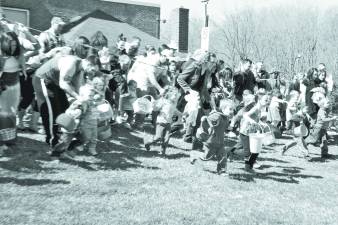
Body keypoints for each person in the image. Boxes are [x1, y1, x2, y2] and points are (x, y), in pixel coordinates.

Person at [32, 37, 92, 152]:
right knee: (50, 111)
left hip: (55, 82)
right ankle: (52, 142)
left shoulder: (80, 66)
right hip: (43, 79)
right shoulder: (71, 62)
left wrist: (80, 101)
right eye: (84, 48)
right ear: (78, 47)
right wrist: (79, 98)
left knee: (65, 109)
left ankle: (64, 140)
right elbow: (64, 84)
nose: (86, 51)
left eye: (88, 49)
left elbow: (77, 87)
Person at [176, 49, 211, 148]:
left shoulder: (207, 71)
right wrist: (189, 90)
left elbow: (203, 87)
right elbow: (180, 78)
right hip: (187, 94)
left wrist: (209, 99)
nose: (207, 61)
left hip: (197, 96)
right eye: (206, 59)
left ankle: (192, 139)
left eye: (209, 60)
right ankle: (182, 134)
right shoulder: (195, 66)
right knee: (185, 117)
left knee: (198, 117)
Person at [190, 98, 233, 176]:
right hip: (211, 142)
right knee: (206, 157)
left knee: (223, 156)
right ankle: (195, 158)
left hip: (220, 142)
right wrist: (205, 120)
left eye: (232, 109)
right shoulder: (217, 116)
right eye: (230, 109)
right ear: (223, 109)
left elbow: (224, 127)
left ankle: (222, 170)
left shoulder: (226, 118)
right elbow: (207, 120)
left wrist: (228, 128)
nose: (232, 111)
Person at [0, 31, 24, 151]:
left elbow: (36, 46)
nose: (13, 48)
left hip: (15, 87)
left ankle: (9, 140)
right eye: (11, 45)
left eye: (15, 45)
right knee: (4, 114)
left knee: (12, 113)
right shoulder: (1, 57)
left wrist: (24, 32)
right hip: (4, 88)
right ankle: (3, 142)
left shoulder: (17, 55)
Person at [144, 86, 180, 155]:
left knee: (166, 138)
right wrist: (154, 105)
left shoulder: (174, 103)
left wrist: (181, 114)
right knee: (158, 137)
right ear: (168, 94)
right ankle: (148, 143)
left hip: (168, 123)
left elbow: (175, 110)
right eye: (174, 95)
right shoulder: (163, 101)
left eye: (177, 95)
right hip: (161, 122)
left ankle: (162, 152)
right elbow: (156, 109)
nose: (176, 97)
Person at [239, 94, 270, 172]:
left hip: (252, 133)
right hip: (245, 132)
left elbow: (257, 119)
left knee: (256, 150)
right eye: (265, 100)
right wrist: (252, 121)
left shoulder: (261, 109)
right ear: (259, 100)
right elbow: (245, 115)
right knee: (248, 151)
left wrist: (262, 124)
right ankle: (247, 167)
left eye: (268, 100)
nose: (267, 102)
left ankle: (250, 166)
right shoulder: (256, 108)